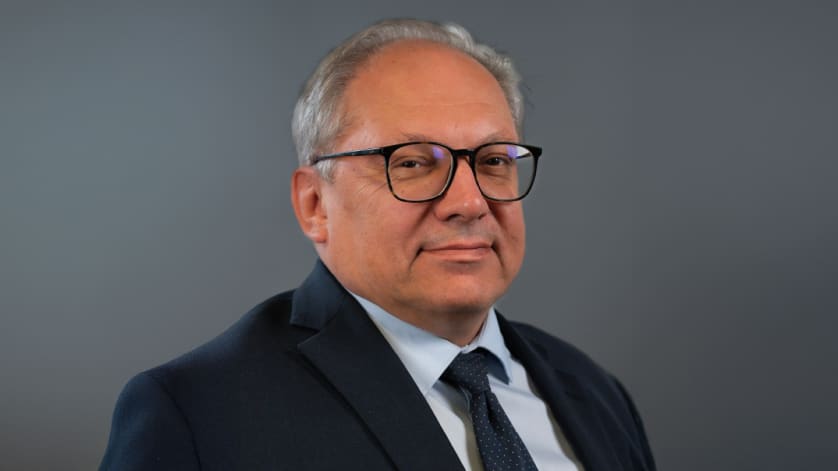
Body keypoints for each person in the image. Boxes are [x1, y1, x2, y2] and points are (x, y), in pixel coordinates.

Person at [100, 18, 656, 471]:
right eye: (412, 163)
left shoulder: (594, 393)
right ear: (315, 205)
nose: (469, 201)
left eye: (492, 161)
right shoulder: (199, 414)